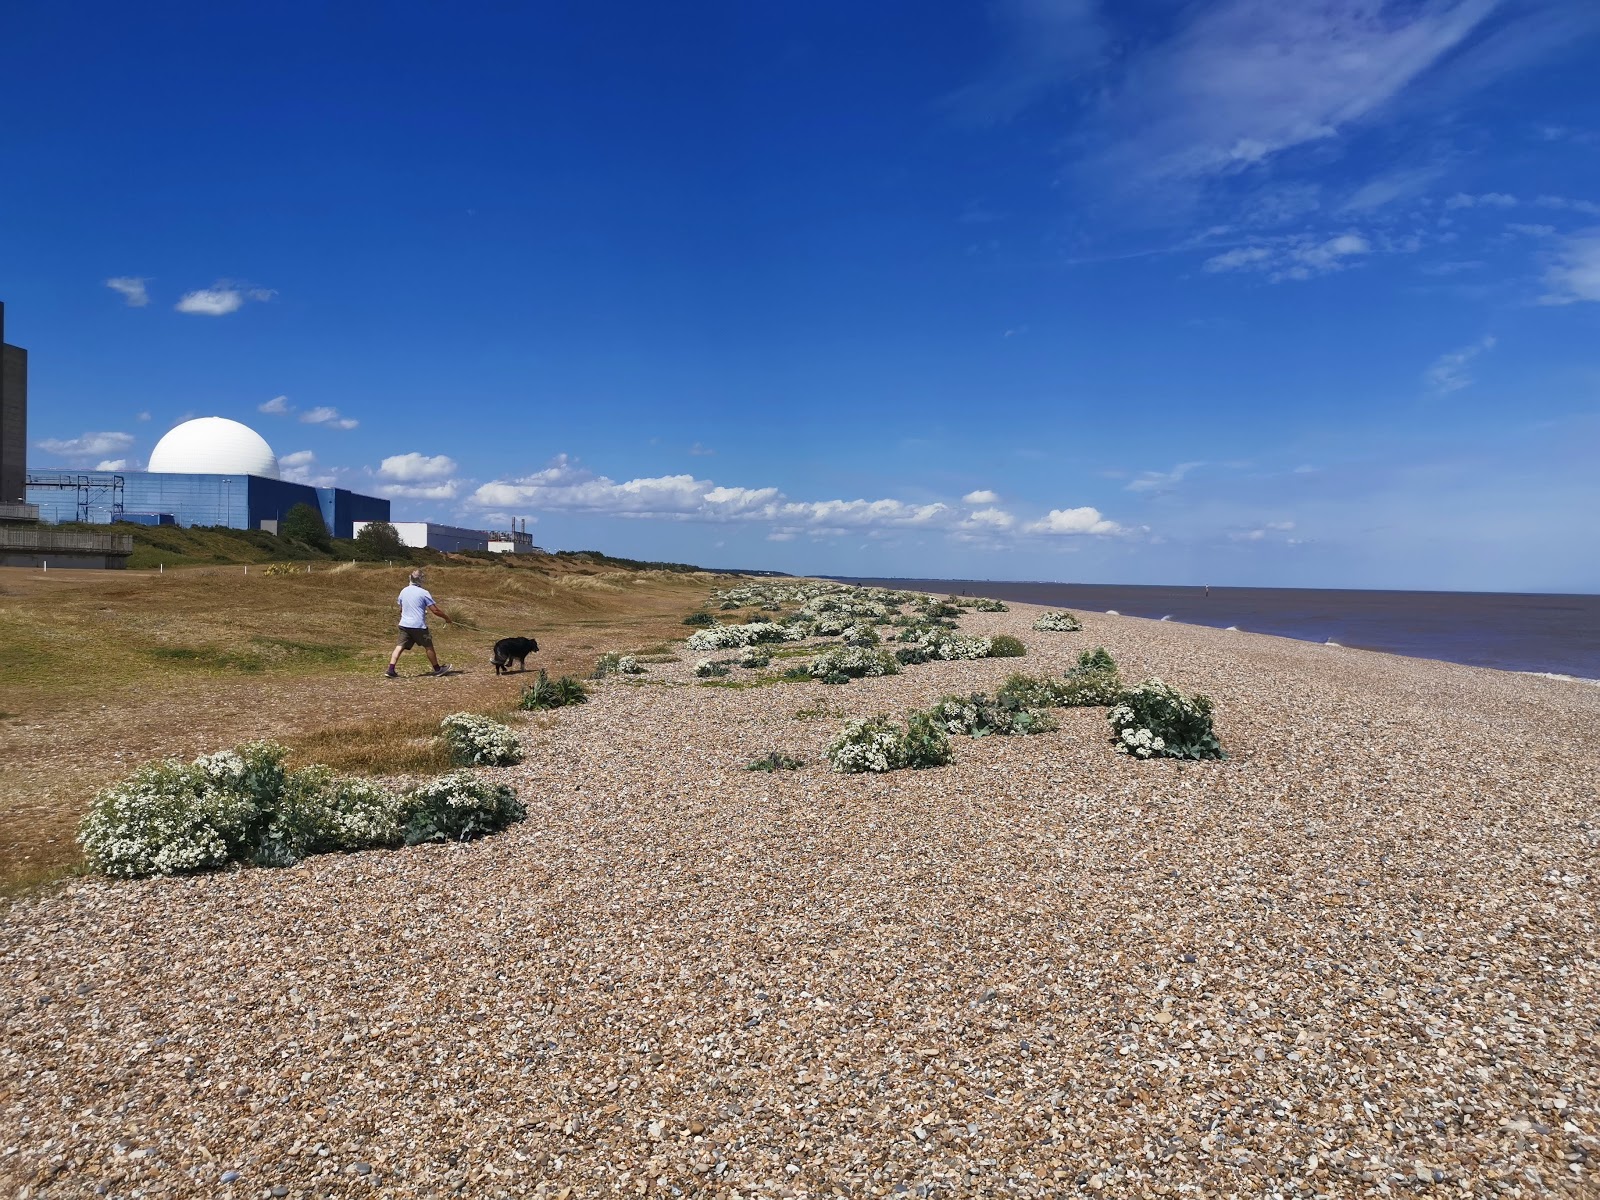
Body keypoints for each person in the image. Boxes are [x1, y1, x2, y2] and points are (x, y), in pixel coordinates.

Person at [385, 569, 452, 678]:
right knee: (428, 646)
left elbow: (401, 609)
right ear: (421, 580)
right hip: (418, 626)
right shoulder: (424, 593)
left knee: (399, 646)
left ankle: (390, 669)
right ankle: (437, 669)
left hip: (404, 624)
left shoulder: (403, 591)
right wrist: (447, 618)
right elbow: (435, 610)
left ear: (410, 578)